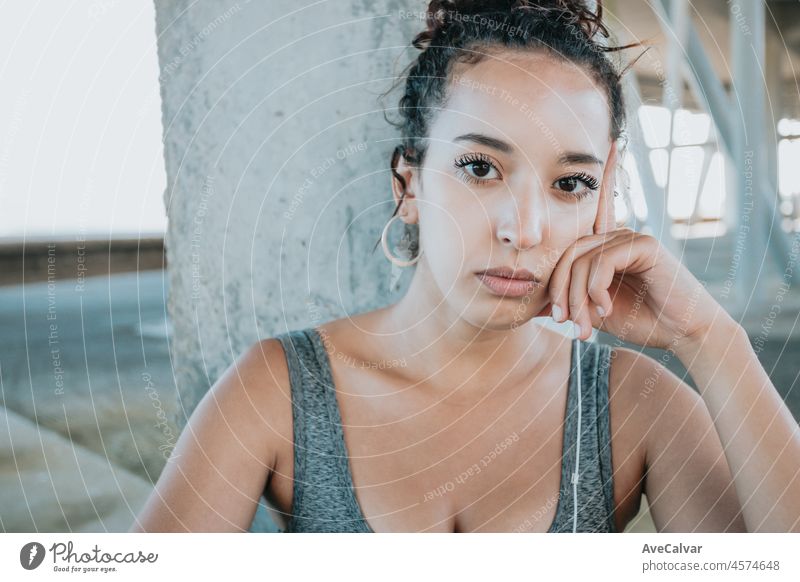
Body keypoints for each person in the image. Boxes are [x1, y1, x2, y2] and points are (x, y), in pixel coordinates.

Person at [130, 0, 800, 533]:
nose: (525, 229)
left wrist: (712, 340)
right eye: (480, 168)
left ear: (607, 195)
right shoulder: (280, 390)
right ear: (409, 184)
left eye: (572, 184)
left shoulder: (634, 405)